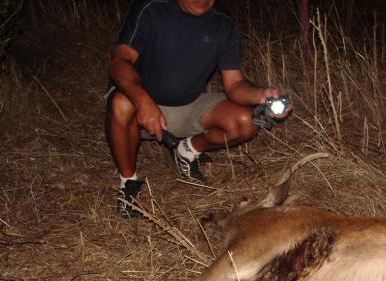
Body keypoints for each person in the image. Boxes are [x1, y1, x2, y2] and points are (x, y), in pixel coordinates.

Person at [105, 0, 292, 218]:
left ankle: (186, 150)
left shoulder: (223, 23)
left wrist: (260, 95)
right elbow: (119, 62)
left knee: (246, 121)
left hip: (188, 105)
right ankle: (128, 183)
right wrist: (143, 101)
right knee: (121, 103)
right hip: (139, 105)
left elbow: (234, 84)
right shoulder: (151, 8)